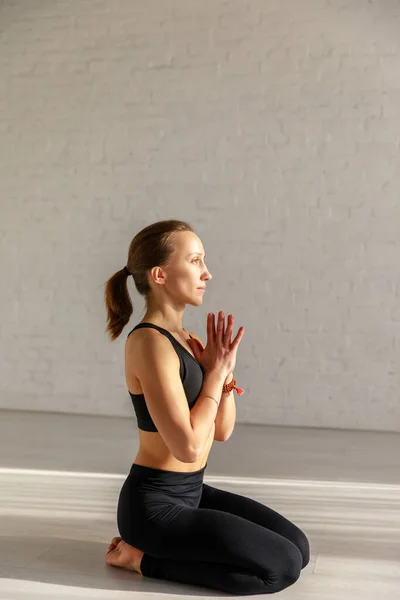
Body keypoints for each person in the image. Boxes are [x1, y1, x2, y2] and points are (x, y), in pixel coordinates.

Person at [103, 219, 310, 595]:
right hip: (154, 507)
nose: (207, 273)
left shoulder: (188, 339)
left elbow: (221, 431)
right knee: (280, 569)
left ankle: (161, 553)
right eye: (195, 260)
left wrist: (224, 376)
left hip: (193, 490)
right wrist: (215, 377)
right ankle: (141, 559)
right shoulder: (148, 343)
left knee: (299, 548)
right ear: (160, 275)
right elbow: (188, 447)